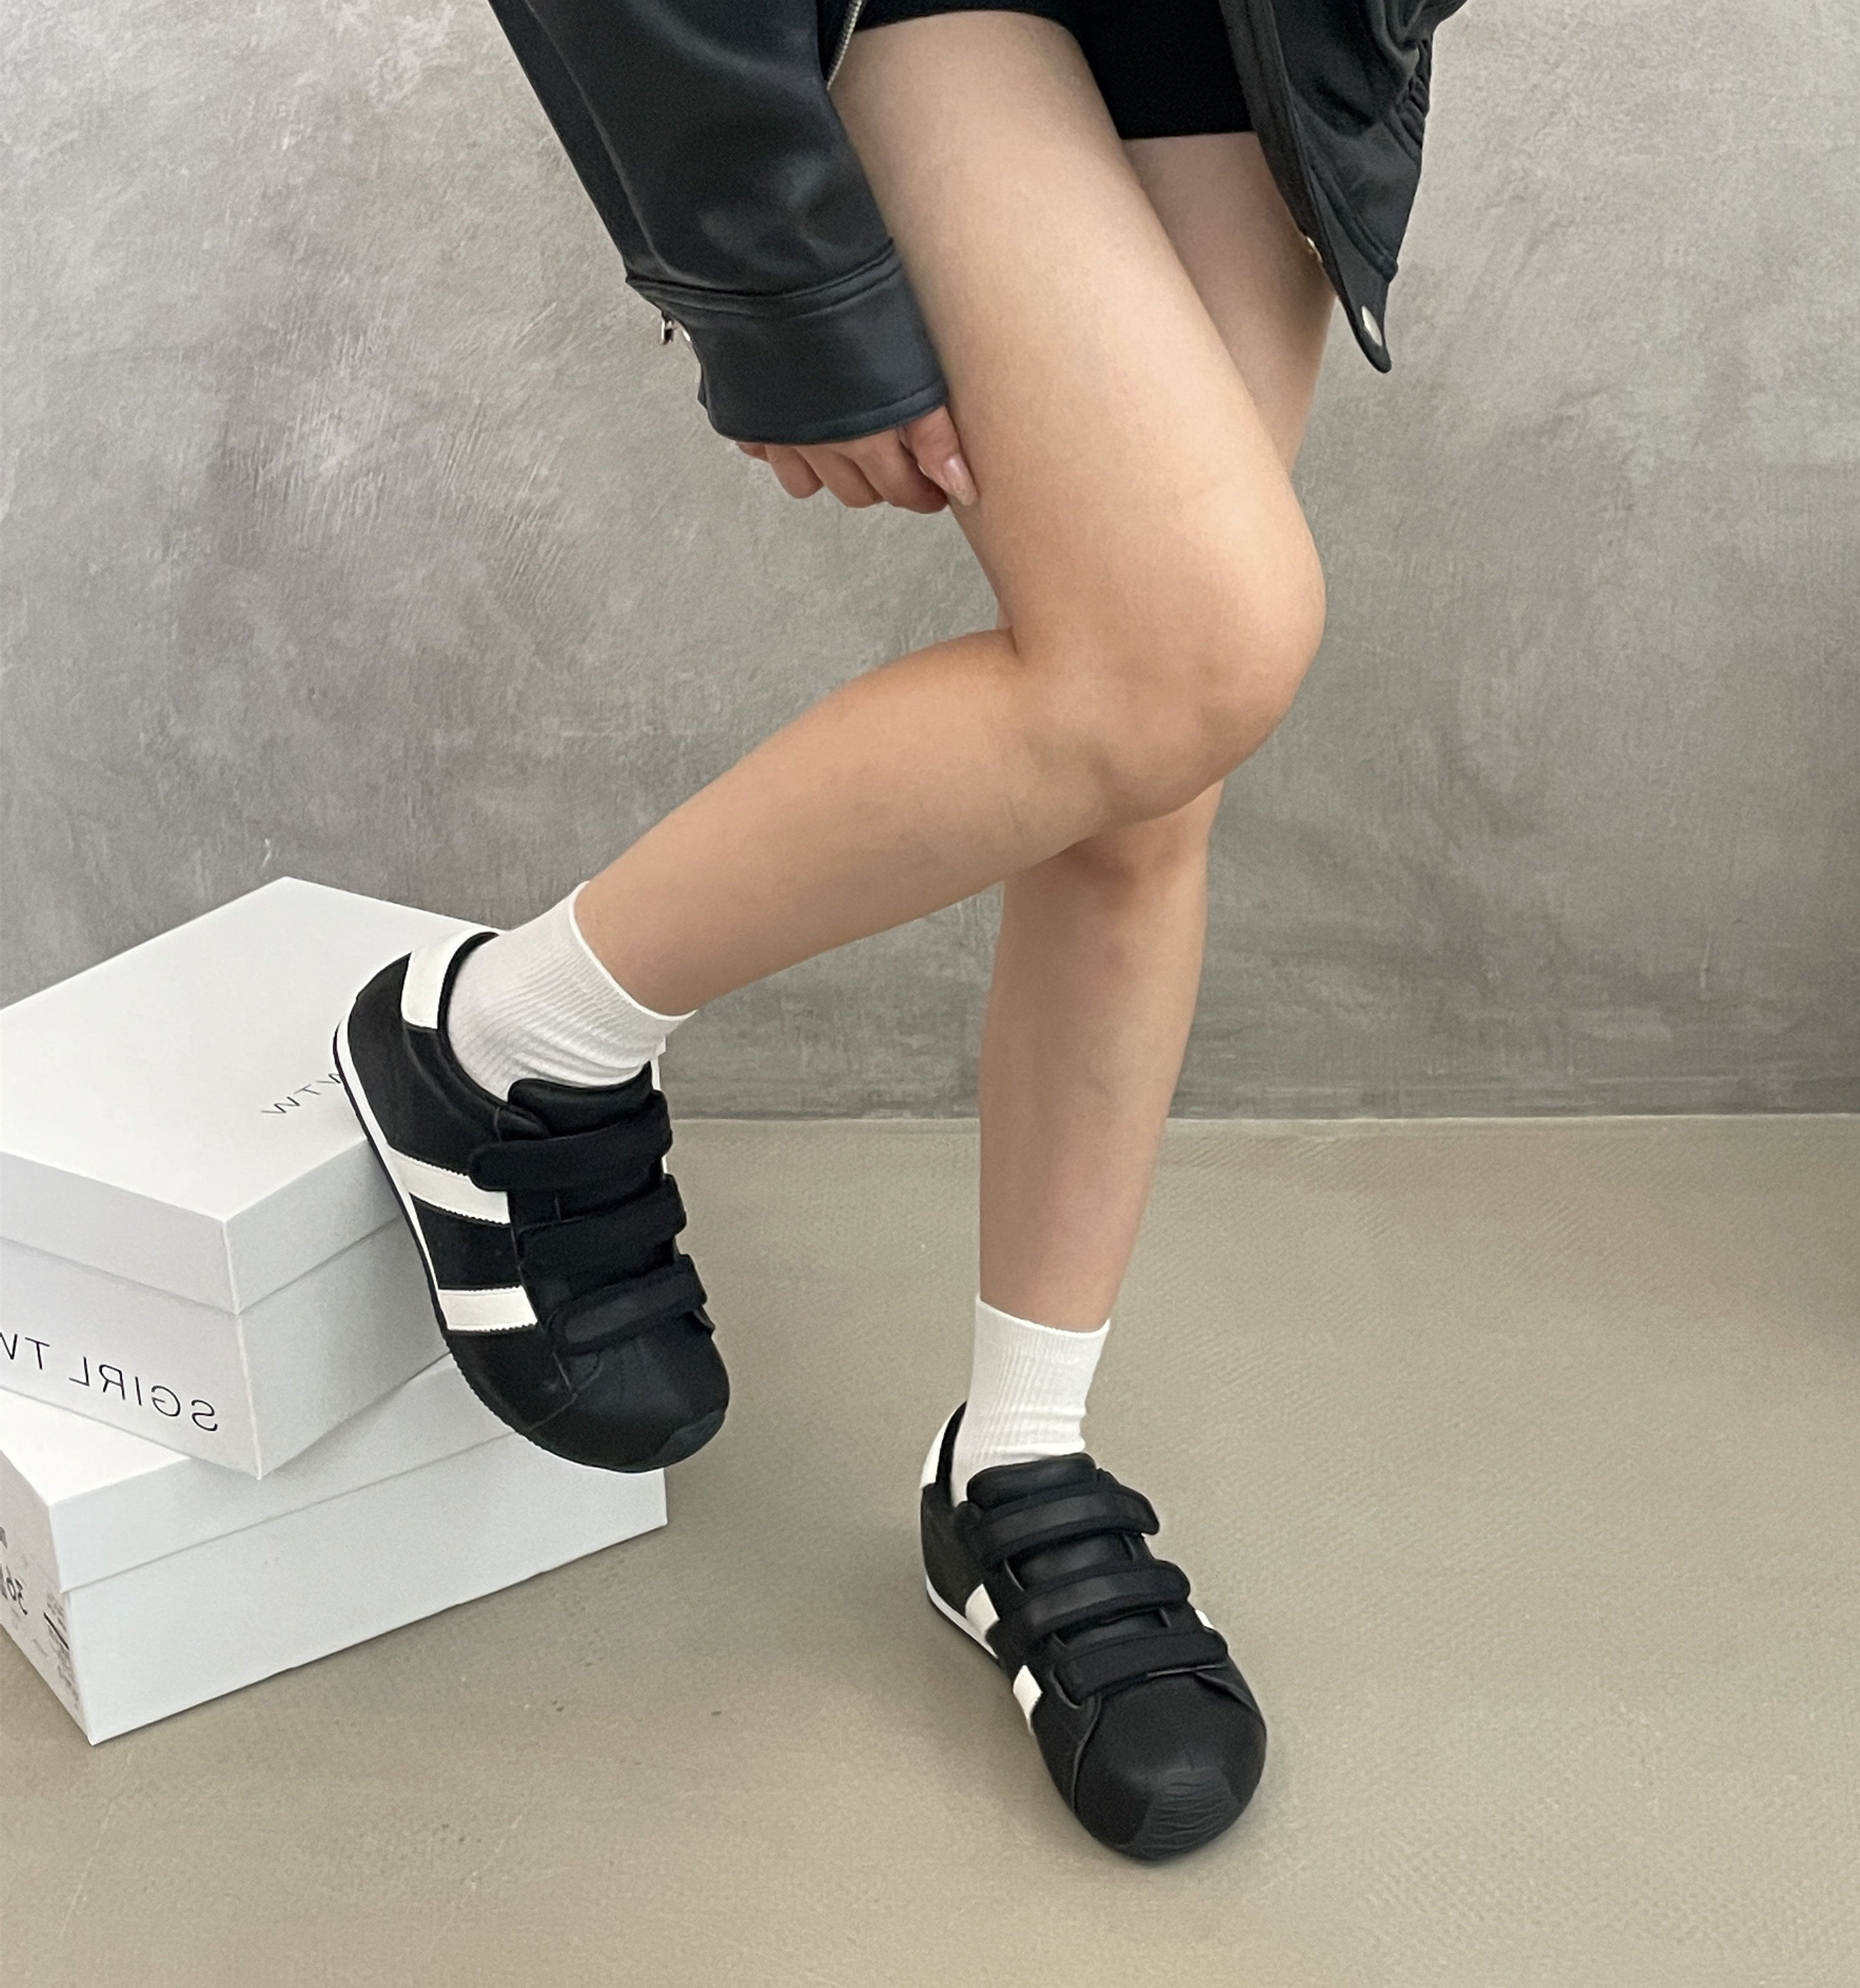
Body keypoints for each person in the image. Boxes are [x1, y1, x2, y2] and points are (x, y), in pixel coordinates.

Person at [333, 0, 1462, 1860]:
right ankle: (510, 1037)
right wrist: (776, 261)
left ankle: (1015, 1456)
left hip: (1238, 32)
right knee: (1183, 652)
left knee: (1149, 765)